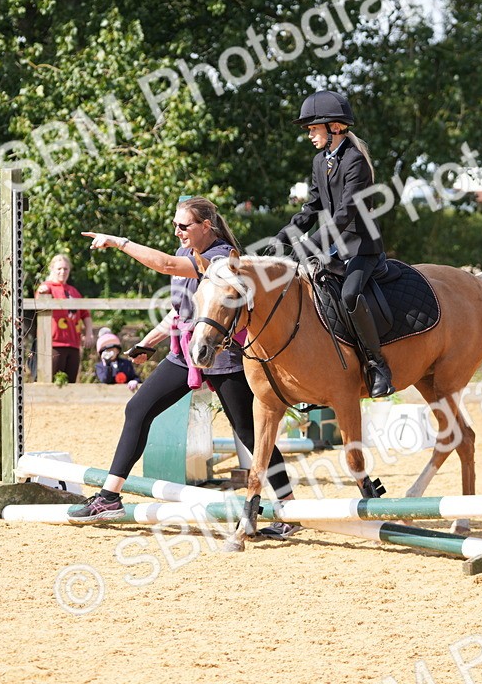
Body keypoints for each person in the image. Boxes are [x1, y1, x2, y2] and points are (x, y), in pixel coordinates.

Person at [72, 197, 300, 537]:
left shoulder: (221, 258)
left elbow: (163, 266)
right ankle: (109, 497)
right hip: (186, 352)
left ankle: (288, 508)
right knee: (138, 408)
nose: (177, 231)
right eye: (175, 225)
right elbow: (182, 312)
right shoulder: (185, 255)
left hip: (223, 356)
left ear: (205, 226)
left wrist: (119, 242)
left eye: (184, 226)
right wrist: (149, 341)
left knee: (250, 433)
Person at [275, 90, 394, 398]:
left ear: (335, 128)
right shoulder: (320, 161)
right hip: (334, 248)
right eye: (310, 130)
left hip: (361, 248)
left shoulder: (356, 162)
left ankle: (377, 364)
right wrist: (285, 235)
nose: (310, 135)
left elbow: (344, 215)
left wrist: (312, 244)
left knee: (351, 294)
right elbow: (312, 205)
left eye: (314, 129)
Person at [35, 254, 93, 383]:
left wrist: (89, 333)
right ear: (52, 269)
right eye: (59, 269)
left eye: (66, 269)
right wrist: (42, 291)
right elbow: (39, 300)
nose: (62, 272)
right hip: (54, 344)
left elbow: (85, 314)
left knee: (70, 383)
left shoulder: (74, 292)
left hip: (73, 344)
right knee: (50, 382)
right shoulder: (48, 287)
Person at [94, 327, 142, 391]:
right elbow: (105, 380)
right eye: (107, 351)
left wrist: (135, 381)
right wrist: (107, 364)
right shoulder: (100, 366)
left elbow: (135, 377)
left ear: (117, 351)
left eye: (112, 350)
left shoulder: (126, 363)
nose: (110, 353)